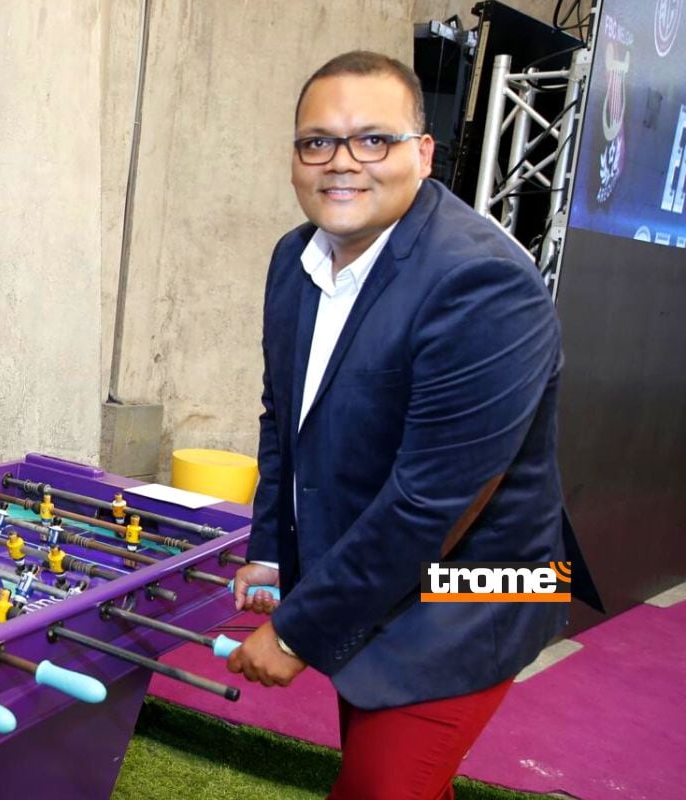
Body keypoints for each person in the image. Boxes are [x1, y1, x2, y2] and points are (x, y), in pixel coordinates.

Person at [226, 51, 601, 799]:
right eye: (317, 142)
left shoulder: (483, 283)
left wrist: (297, 632)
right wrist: (271, 551)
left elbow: (431, 502)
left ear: (423, 154)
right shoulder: (293, 259)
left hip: (475, 588)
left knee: (380, 785)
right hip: (376, 564)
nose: (342, 161)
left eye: (374, 139)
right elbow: (283, 423)